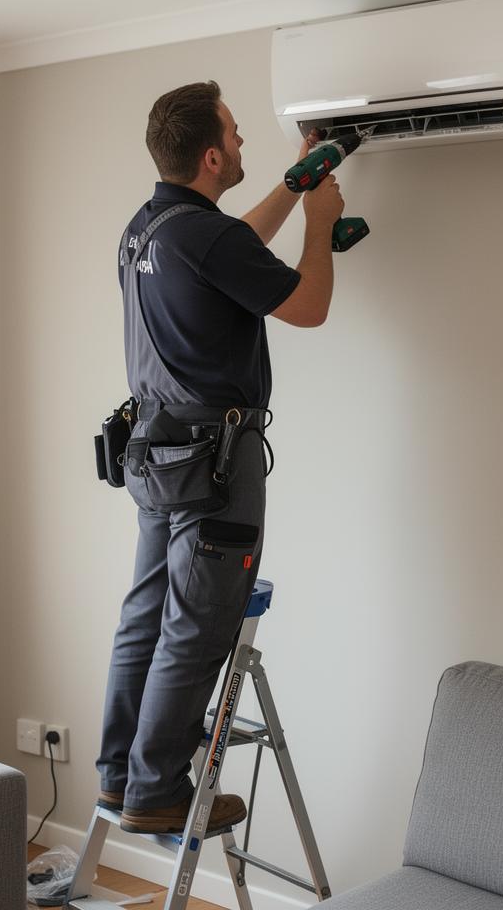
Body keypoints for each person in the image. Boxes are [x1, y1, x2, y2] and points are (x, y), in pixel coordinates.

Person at [96, 80, 344, 835]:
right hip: (215, 460)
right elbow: (307, 306)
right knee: (197, 625)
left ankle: (119, 777)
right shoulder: (207, 237)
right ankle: (159, 792)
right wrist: (321, 224)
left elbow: (231, 248)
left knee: (145, 614)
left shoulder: (149, 227)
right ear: (210, 155)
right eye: (235, 136)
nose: (242, 144)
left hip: (156, 452)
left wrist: (292, 186)